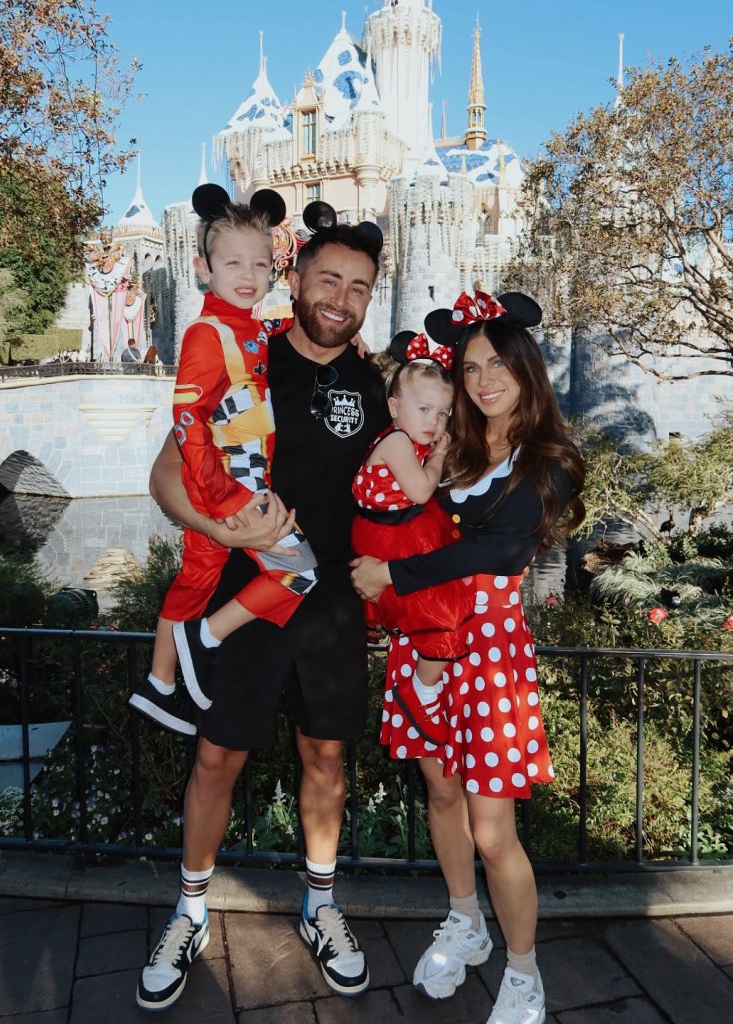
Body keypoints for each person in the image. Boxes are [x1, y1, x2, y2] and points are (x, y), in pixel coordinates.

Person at [135, 218, 389, 1011]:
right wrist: (215, 528)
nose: (341, 299)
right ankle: (190, 909)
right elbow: (166, 470)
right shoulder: (248, 352)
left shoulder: (377, 383)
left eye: (359, 287)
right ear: (296, 275)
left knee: (325, 762)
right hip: (242, 601)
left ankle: (320, 902)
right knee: (214, 760)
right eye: (328, 280)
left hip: (331, 610)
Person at [350, 290, 585, 1024]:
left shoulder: (550, 458)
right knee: (442, 796)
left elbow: (502, 547)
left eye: (497, 365)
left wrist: (392, 576)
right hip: (423, 639)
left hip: (487, 654)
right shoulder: (455, 444)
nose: (482, 380)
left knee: (493, 830)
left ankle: (523, 973)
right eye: (471, 367)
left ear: (526, 369)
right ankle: (466, 921)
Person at [129, 184, 320, 737]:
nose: (249, 273)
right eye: (233, 261)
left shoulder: (249, 329)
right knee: (299, 570)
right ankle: (205, 638)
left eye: (261, 263)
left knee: (194, 578)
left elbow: (269, 336)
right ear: (202, 267)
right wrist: (224, 502)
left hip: (234, 482)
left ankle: (159, 685)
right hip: (235, 484)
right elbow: (188, 425)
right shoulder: (205, 335)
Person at [350, 341, 474, 746]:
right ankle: (420, 693)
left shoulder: (404, 440)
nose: (435, 422)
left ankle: (421, 682)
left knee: (439, 595)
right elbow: (421, 492)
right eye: (424, 410)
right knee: (442, 609)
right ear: (393, 407)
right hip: (391, 534)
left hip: (394, 531)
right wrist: (439, 456)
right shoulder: (398, 443)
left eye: (443, 414)